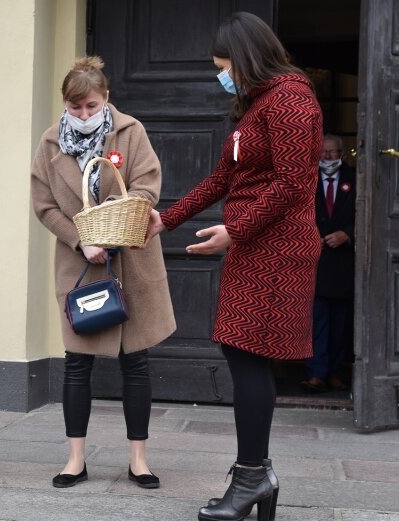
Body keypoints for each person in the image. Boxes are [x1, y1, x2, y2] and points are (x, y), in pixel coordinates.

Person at [145, 12, 322, 521]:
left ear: (245, 58)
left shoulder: (290, 98)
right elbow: (226, 177)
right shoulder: (258, 104)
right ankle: (254, 477)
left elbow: (291, 184)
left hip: (279, 248)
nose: (222, 76)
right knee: (241, 350)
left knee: (247, 353)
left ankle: (252, 478)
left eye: (224, 66)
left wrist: (235, 231)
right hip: (256, 246)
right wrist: (167, 218)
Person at [31, 56, 176, 490]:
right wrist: (82, 238)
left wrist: (117, 222)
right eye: (76, 108)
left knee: (137, 362)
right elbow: (43, 206)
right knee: (76, 364)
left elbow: (149, 184)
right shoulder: (50, 142)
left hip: (130, 259)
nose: (84, 115)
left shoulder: (131, 132)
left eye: (91, 107)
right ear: (65, 104)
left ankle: (139, 460)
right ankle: (75, 459)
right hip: (80, 265)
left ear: (106, 98)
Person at [301, 134, 356, 392]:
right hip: (315, 261)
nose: (329, 157)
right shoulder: (306, 179)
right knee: (317, 320)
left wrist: (348, 233)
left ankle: (335, 372)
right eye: (324, 153)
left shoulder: (354, 179)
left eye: (334, 153)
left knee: (340, 323)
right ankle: (316, 372)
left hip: (344, 263)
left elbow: (368, 212)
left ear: (342, 154)